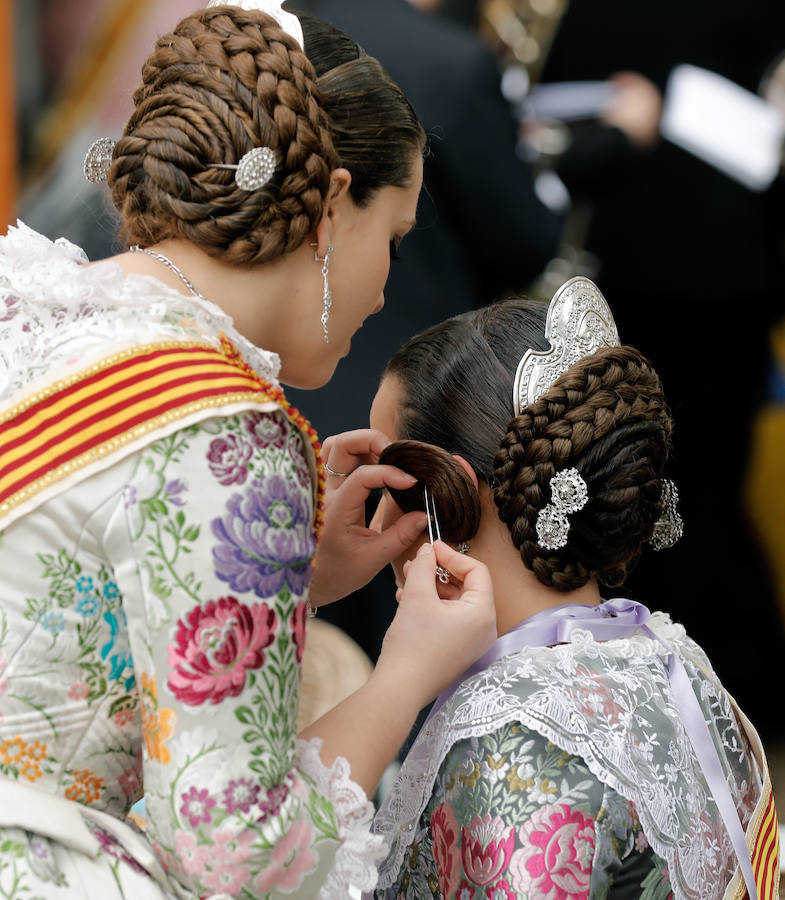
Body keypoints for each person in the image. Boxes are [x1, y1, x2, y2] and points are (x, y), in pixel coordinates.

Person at [0, 4, 497, 898]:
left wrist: (294, 580)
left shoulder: (31, 310)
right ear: (331, 205)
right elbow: (239, 851)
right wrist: (407, 673)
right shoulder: (224, 428)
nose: (385, 289)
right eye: (393, 238)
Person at [366, 278, 778, 898]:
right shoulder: (680, 668)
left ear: (450, 493)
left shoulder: (504, 751)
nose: (376, 527)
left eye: (393, 486)